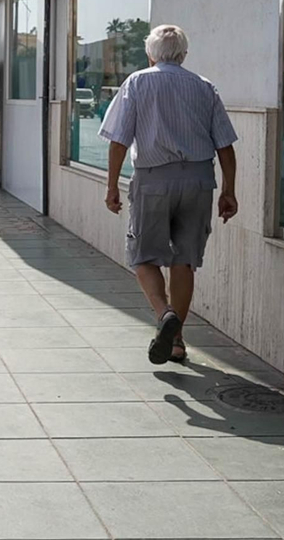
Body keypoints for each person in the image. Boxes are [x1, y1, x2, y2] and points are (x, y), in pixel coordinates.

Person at [100, 25, 239, 364]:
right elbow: (225, 146)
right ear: (184, 55)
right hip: (198, 179)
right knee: (184, 260)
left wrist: (112, 186)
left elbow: (119, 140)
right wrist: (229, 192)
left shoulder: (137, 82)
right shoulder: (204, 87)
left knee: (143, 256)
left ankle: (164, 315)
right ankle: (177, 341)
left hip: (153, 180)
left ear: (150, 54)